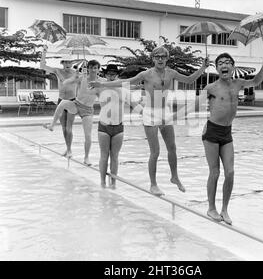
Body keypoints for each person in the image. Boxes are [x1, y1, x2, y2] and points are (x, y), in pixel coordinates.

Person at [90, 46, 209, 196]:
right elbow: (125, 82)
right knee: (155, 151)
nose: (160, 59)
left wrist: (203, 67)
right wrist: (102, 84)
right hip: (150, 114)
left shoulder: (171, 73)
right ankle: (153, 184)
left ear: (167, 59)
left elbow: (190, 79)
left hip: (165, 112)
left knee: (172, 148)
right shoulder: (146, 74)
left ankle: (174, 176)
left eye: (163, 57)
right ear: (153, 59)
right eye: (157, 56)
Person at [200, 52, 263, 225]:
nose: (224, 65)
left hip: (227, 133)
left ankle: (224, 209)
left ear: (232, 67)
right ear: (216, 68)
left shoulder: (238, 84)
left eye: (227, 62)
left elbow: (255, 81)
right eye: (220, 63)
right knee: (215, 172)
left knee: (230, 172)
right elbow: (193, 104)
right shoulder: (211, 88)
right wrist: (171, 117)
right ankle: (211, 208)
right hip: (211, 132)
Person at [43, 60, 103, 166]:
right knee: (63, 103)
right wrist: (74, 77)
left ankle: (86, 158)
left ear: (98, 69)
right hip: (76, 104)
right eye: (91, 68)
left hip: (87, 110)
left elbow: (110, 90)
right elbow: (65, 83)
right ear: (88, 68)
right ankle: (52, 125)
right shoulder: (82, 77)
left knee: (88, 135)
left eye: (95, 68)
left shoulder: (101, 82)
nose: (93, 70)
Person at [98, 64, 143, 189]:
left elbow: (135, 105)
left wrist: (146, 114)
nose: (111, 76)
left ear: (117, 75)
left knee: (115, 156)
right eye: (109, 74)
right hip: (104, 126)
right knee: (104, 155)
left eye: (113, 74)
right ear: (105, 75)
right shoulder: (100, 89)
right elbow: (85, 89)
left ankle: (113, 183)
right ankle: (102, 182)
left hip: (118, 127)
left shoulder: (124, 91)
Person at [40, 46, 78, 157]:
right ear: (62, 63)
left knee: (69, 127)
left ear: (72, 63)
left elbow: (87, 80)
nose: (68, 64)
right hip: (61, 100)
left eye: (69, 62)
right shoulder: (58, 71)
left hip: (72, 101)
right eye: (66, 62)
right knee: (63, 127)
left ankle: (70, 150)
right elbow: (42, 66)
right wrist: (44, 52)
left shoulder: (76, 73)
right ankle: (67, 148)